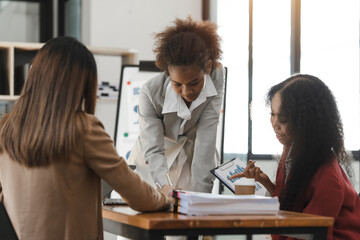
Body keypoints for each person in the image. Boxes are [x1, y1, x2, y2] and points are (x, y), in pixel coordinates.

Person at [0, 36, 173, 240]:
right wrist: (165, 196)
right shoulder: (84, 128)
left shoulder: (6, 128)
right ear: (83, 84)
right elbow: (136, 193)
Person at [230, 74, 360, 240]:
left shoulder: (328, 177)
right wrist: (267, 183)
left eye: (283, 118)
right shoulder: (294, 150)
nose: (275, 124)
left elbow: (313, 233)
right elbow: (292, 204)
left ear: (307, 122)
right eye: (272, 114)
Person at [128, 17, 224, 193]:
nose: (187, 91)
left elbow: (206, 138)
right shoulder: (150, 92)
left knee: (193, 206)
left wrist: (200, 199)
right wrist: (165, 187)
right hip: (153, 166)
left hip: (192, 158)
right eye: (177, 84)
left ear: (208, 67)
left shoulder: (217, 76)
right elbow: (155, 150)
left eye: (194, 83)